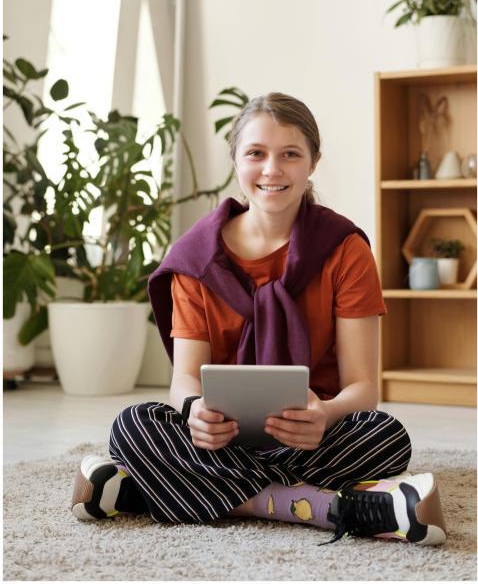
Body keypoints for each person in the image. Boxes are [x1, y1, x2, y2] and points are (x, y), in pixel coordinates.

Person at [71, 92, 447, 546]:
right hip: (218, 440)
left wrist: (325, 413)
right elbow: (185, 379)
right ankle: (322, 507)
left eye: (290, 154)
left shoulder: (346, 250)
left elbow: (364, 388)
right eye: (256, 153)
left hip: (312, 436)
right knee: (134, 424)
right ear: (236, 160)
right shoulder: (195, 259)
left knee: (386, 435)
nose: (272, 169)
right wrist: (195, 413)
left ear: (312, 163)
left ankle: (140, 491)